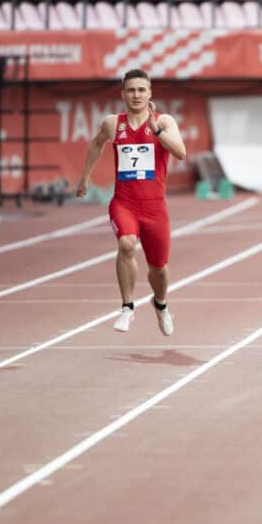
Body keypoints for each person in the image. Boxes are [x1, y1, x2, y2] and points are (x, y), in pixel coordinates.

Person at [75, 68, 186, 335]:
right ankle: (127, 307)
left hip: (156, 208)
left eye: (141, 90)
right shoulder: (113, 123)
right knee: (126, 244)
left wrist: (156, 131)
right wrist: (85, 178)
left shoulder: (165, 121)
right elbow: (95, 144)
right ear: (123, 94)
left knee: (159, 269)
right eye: (131, 90)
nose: (136, 95)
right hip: (124, 203)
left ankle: (160, 304)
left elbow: (181, 153)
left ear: (150, 93)